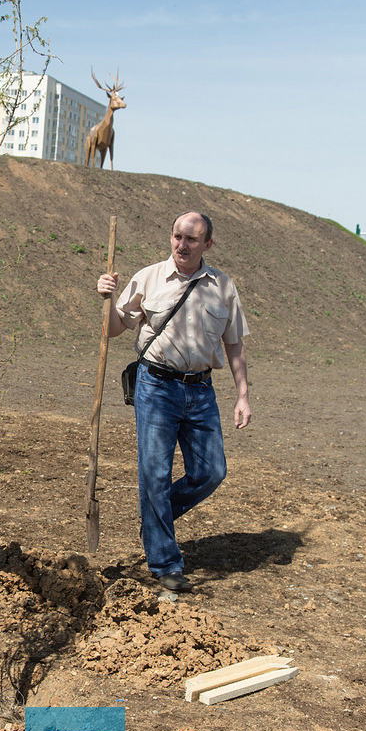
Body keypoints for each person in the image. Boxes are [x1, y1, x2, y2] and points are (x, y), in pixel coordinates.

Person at [96, 211, 251, 592]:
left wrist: (243, 394)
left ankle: (154, 517)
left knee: (211, 471)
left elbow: (234, 343)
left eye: (192, 239)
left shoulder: (223, 287)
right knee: (154, 473)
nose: (182, 245)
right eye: (177, 237)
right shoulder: (148, 278)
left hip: (200, 390)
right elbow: (116, 329)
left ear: (207, 245)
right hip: (157, 386)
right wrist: (109, 297)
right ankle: (165, 562)